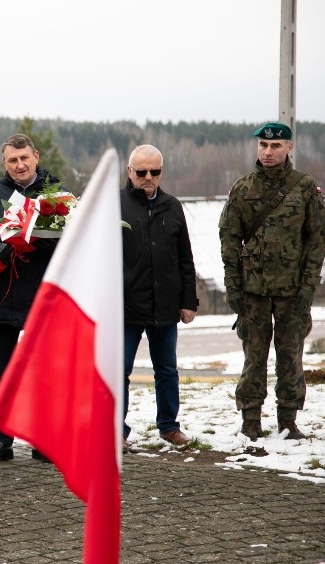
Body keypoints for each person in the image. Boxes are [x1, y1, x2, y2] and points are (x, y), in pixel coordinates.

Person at [0, 133, 70, 465]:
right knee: (2, 373)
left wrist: (34, 240)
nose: (19, 165)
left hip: (44, 297)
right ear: (4, 162)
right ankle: (3, 439)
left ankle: (42, 439)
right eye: (12, 160)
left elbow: (71, 239)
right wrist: (3, 245)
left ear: (35, 156)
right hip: (2, 297)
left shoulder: (59, 196)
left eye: (24, 158)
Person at [219, 122, 325, 441]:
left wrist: (309, 286)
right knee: (254, 357)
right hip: (253, 291)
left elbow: (318, 238)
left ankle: (288, 420)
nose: (268, 152)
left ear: (289, 148)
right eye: (264, 146)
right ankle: (250, 418)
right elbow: (229, 239)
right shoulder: (243, 188)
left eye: (276, 146)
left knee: (290, 356)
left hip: (292, 290)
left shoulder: (304, 187)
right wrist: (233, 288)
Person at [120, 144, 198, 452]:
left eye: (155, 171)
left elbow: (185, 257)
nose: (148, 177)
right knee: (119, 372)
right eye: (141, 172)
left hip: (165, 305)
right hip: (125, 307)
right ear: (130, 172)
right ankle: (116, 431)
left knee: (166, 370)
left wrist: (189, 300)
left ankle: (169, 426)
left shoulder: (172, 206)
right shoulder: (116, 205)